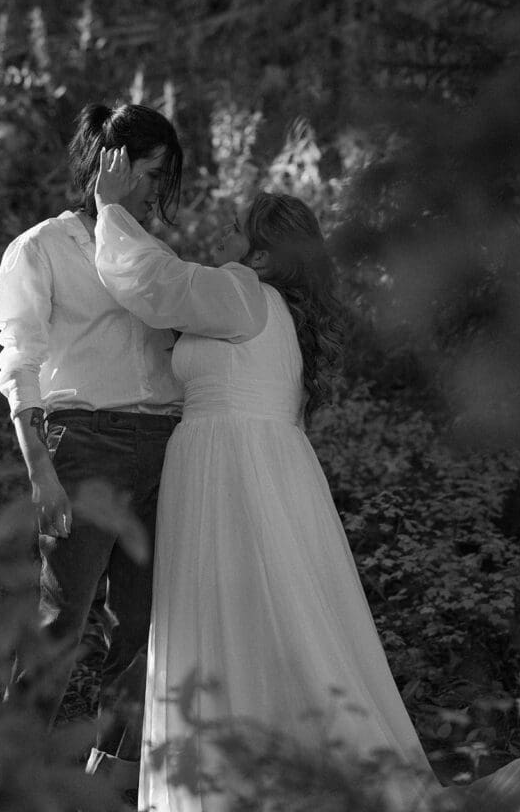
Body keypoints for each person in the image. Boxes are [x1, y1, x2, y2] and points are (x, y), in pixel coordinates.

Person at [92, 149, 440, 811]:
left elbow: (153, 282)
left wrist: (110, 206)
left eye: (231, 230)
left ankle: (230, 783)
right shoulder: (278, 312)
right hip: (267, 463)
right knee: (263, 610)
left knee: (223, 611)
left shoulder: (239, 291)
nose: (218, 238)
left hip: (227, 465)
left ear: (258, 255)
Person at [0, 103, 198, 794]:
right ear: (111, 162)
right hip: (87, 447)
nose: (155, 192)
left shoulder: (151, 252)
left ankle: (109, 787)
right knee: (59, 627)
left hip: (164, 447)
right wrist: (39, 469)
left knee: (139, 631)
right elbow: (19, 361)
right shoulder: (42, 248)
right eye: (150, 173)